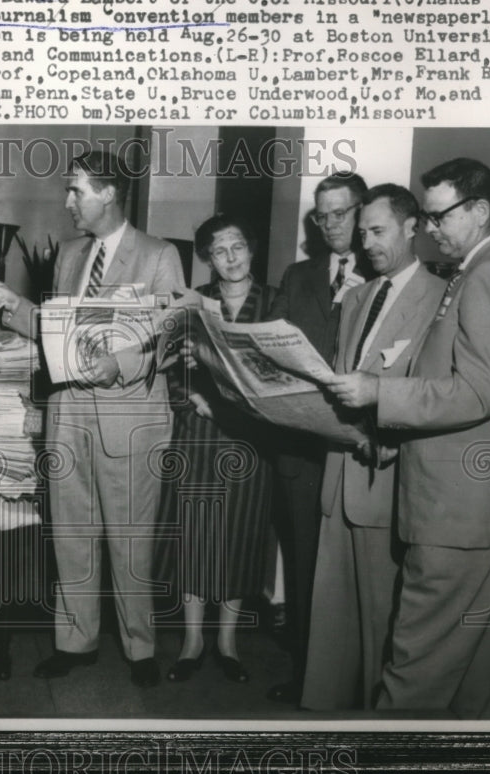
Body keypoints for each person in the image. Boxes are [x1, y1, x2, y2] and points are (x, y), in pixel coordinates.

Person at [329, 158, 490, 718]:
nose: (431, 227)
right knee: (469, 688)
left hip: (457, 512)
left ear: (479, 210)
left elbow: (477, 393)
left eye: (439, 215)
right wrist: (402, 435)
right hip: (471, 508)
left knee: (411, 679)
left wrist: (381, 393)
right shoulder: (480, 269)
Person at [0, 150, 185, 688]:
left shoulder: (159, 255)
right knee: (71, 532)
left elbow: (170, 341)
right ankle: (75, 642)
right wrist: (8, 306)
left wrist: (117, 363)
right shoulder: (70, 255)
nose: (67, 201)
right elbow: (56, 331)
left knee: (130, 535)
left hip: (130, 416)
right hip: (68, 413)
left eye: (76, 190)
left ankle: (140, 649)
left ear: (109, 193)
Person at [301, 184, 446, 710]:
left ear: (413, 228)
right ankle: (327, 728)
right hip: (340, 470)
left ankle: (377, 729)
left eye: (378, 231)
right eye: (362, 233)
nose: (366, 243)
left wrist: (384, 433)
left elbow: (437, 393)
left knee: (386, 622)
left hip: (387, 476)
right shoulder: (359, 295)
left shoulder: (441, 297)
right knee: (332, 620)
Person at [156, 214, 278, 684]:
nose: (231, 258)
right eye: (220, 251)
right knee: (195, 536)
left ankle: (227, 641)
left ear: (251, 249)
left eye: (238, 247)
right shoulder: (194, 304)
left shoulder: (273, 303)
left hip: (250, 439)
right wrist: (193, 398)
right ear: (207, 257)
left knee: (238, 537)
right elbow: (169, 372)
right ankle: (192, 640)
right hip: (199, 435)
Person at [266, 172, 371, 702]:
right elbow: (273, 348)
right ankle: (308, 676)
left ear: (362, 210)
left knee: (361, 572)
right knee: (305, 567)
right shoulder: (299, 273)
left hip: (362, 448)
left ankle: (361, 685)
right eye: (321, 215)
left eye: (340, 213)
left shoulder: (384, 272)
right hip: (303, 448)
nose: (330, 225)